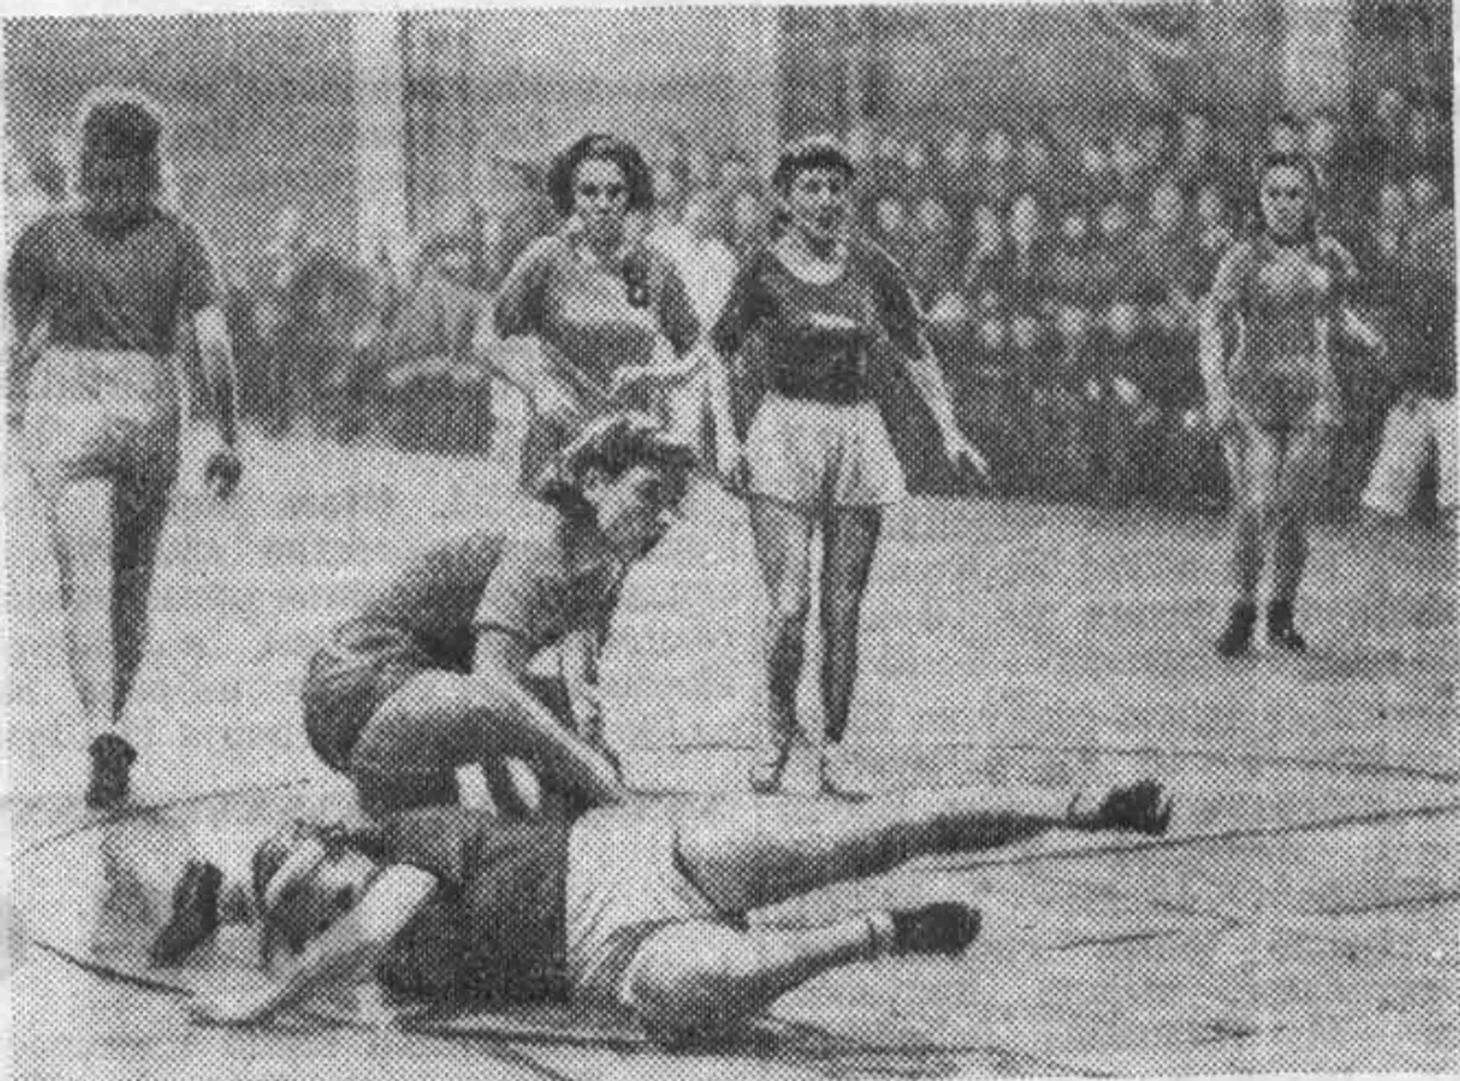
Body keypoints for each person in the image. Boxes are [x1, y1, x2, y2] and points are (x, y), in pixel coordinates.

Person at [183, 776, 1173, 1038]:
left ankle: (1081, 808)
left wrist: (258, 1003)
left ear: (339, 852)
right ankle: (878, 934)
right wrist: (234, 912)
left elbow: (363, 930)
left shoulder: (404, 843)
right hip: (609, 959)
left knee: (870, 833)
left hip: (636, 857)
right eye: (303, 909)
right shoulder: (368, 957)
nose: (326, 904)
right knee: (699, 991)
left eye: (318, 882)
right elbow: (330, 937)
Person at [705, 137, 987, 797]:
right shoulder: (761, 267)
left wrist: (950, 431)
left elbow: (916, 349)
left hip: (858, 432)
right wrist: (728, 437)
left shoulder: (873, 265)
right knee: (789, 607)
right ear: (785, 196)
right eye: (811, 187)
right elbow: (718, 350)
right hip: (783, 432)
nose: (826, 200)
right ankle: (778, 727)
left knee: (843, 609)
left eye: (836, 187)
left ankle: (834, 747)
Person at [6, 91, 242, 807]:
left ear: (82, 157)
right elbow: (213, 346)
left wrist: (16, 411)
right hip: (149, 402)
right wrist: (227, 436)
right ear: (154, 161)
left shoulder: (41, 238)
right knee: (131, 584)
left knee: (83, 581)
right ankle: (118, 719)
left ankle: (101, 725)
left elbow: (17, 342)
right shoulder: (183, 238)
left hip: (66, 399)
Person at [299, 415, 695, 818]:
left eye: (674, 503)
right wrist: (595, 778)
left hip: (429, 685)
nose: (663, 516)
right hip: (358, 685)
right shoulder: (542, 545)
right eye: (649, 492)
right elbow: (494, 687)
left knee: (567, 739)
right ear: (594, 484)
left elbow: (572, 694)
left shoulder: (605, 569)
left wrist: (585, 768)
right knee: (457, 823)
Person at [1198, 153, 1376, 656]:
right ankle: (1241, 611)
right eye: (1272, 193)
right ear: (1259, 199)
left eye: (1294, 193)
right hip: (1252, 394)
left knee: (1294, 509)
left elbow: (1335, 314)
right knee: (1255, 504)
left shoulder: (1331, 256)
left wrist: (1364, 335)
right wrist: (1216, 392)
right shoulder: (1240, 258)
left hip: (1312, 396)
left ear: (1312, 199)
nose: (1282, 203)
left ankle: (1281, 612)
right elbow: (1211, 327)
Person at [491, 133, 703, 493]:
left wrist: (657, 376)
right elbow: (489, 338)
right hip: (557, 449)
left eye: (615, 192)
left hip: (630, 449)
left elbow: (700, 351)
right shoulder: (546, 258)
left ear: (631, 195)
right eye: (589, 192)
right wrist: (537, 385)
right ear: (571, 196)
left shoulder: (656, 268)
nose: (603, 203)